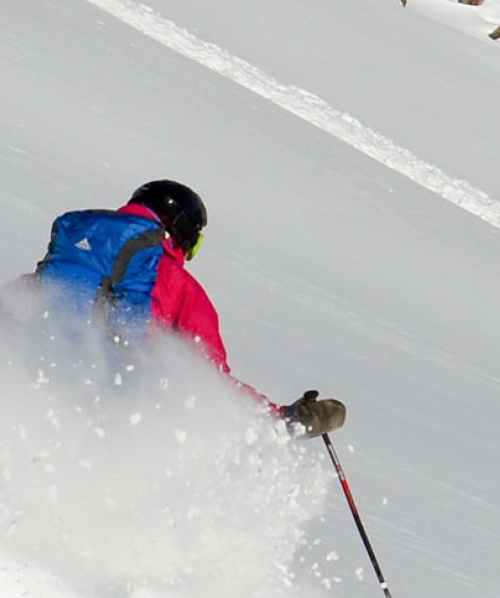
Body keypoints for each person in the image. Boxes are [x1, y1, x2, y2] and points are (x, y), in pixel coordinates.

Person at [30, 179, 346, 438]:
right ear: (183, 232)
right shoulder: (179, 285)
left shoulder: (69, 263)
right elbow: (209, 382)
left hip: (38, 393)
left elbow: (2, 307)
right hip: (114, 419)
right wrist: (285, 418)